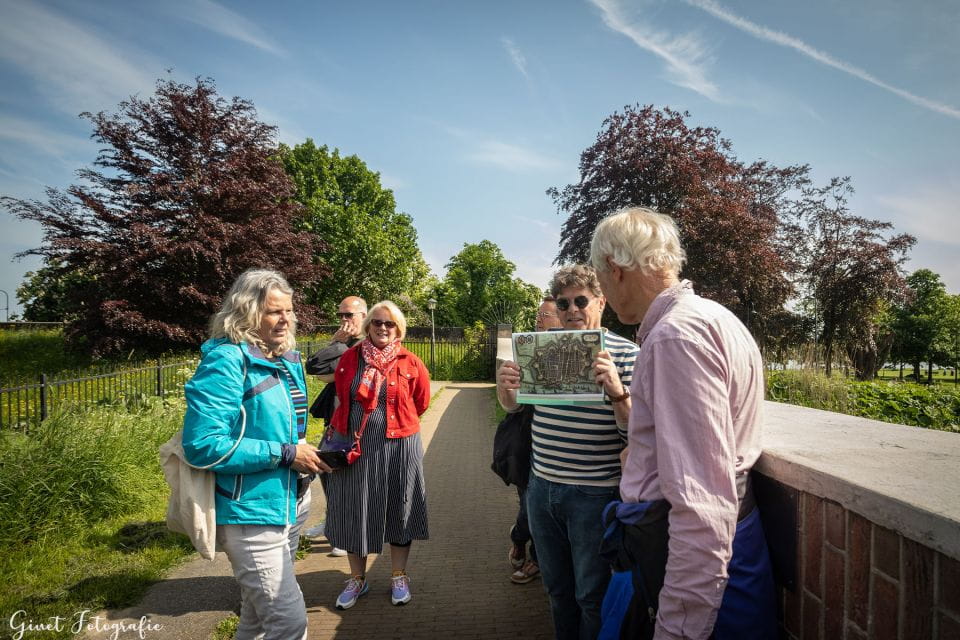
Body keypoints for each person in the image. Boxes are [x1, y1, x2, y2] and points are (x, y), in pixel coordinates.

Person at [589, 207, 777, 639]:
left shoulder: (674, 337)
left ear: (615, 269)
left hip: (700, 569)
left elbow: (702, 503)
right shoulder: (714, 316)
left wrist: (677, 628)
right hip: (731, 548)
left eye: (600, 278)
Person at [182, 269, 328, 640]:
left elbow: (284, 428)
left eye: (289, 311)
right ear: (246, 312)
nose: (286, 319)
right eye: (274, 312)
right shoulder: (227, 361)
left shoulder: (285, 358)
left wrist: (306, 455)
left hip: (291, 503)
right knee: (289, 622)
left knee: (256, 620)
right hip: (251, 511)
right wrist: (285, 454)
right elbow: (202, 445)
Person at [497, 265, 640, 640]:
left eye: (581, 301)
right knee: (557, 590)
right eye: (563, 304)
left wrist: (617, 393)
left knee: (591, 595)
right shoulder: (539, 349)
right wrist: (505, 388)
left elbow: (637, 435)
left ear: (601, 302)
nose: (572, 310)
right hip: (541, 488)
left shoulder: (628, 355)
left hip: (595, 493)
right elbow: (514, 408)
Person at [323, 300, 431, 609]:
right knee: (355, 509)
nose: (383, 328)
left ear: (399, 329)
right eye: (377, 322)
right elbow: (336, 388)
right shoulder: (350, 358)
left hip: (400, 447)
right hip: (355, 447)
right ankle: (357, 578)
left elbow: (421, 401)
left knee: (400, 507)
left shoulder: (411, 361)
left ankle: (399, 575)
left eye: (390, 323)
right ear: (368, 325)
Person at [303, 296, 367, 555]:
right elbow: (316, 368)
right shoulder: (345, 344)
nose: (343, 320)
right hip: (335, 421)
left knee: (347, 477)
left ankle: (345, 533)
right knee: (327, 469)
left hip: (356, 423)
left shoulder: (366, 345)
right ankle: (334, 522)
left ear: (363, 316)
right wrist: (337, 343)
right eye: (340, 315)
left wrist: (339, 348)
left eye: (349, 315)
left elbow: (331, 374)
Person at [507, 296, 563, 585]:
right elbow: (510, 403)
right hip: (527, 443)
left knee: (541, 511)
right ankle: (519, 538)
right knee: (527, 508)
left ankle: (537, 560)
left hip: (559, 450)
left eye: (545, 315)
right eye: (538, 315)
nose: (538, 320)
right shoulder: (525, 349)